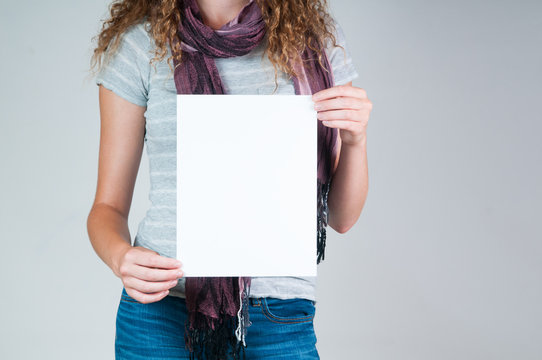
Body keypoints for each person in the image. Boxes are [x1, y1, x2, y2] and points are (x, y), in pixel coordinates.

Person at [87, 0, 371, 358]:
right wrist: (121, 257)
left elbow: (342, 219)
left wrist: (355, 139)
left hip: (277, 313)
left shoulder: (311, 40)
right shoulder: (140, 42)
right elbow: (106, 208)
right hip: (161, 308)